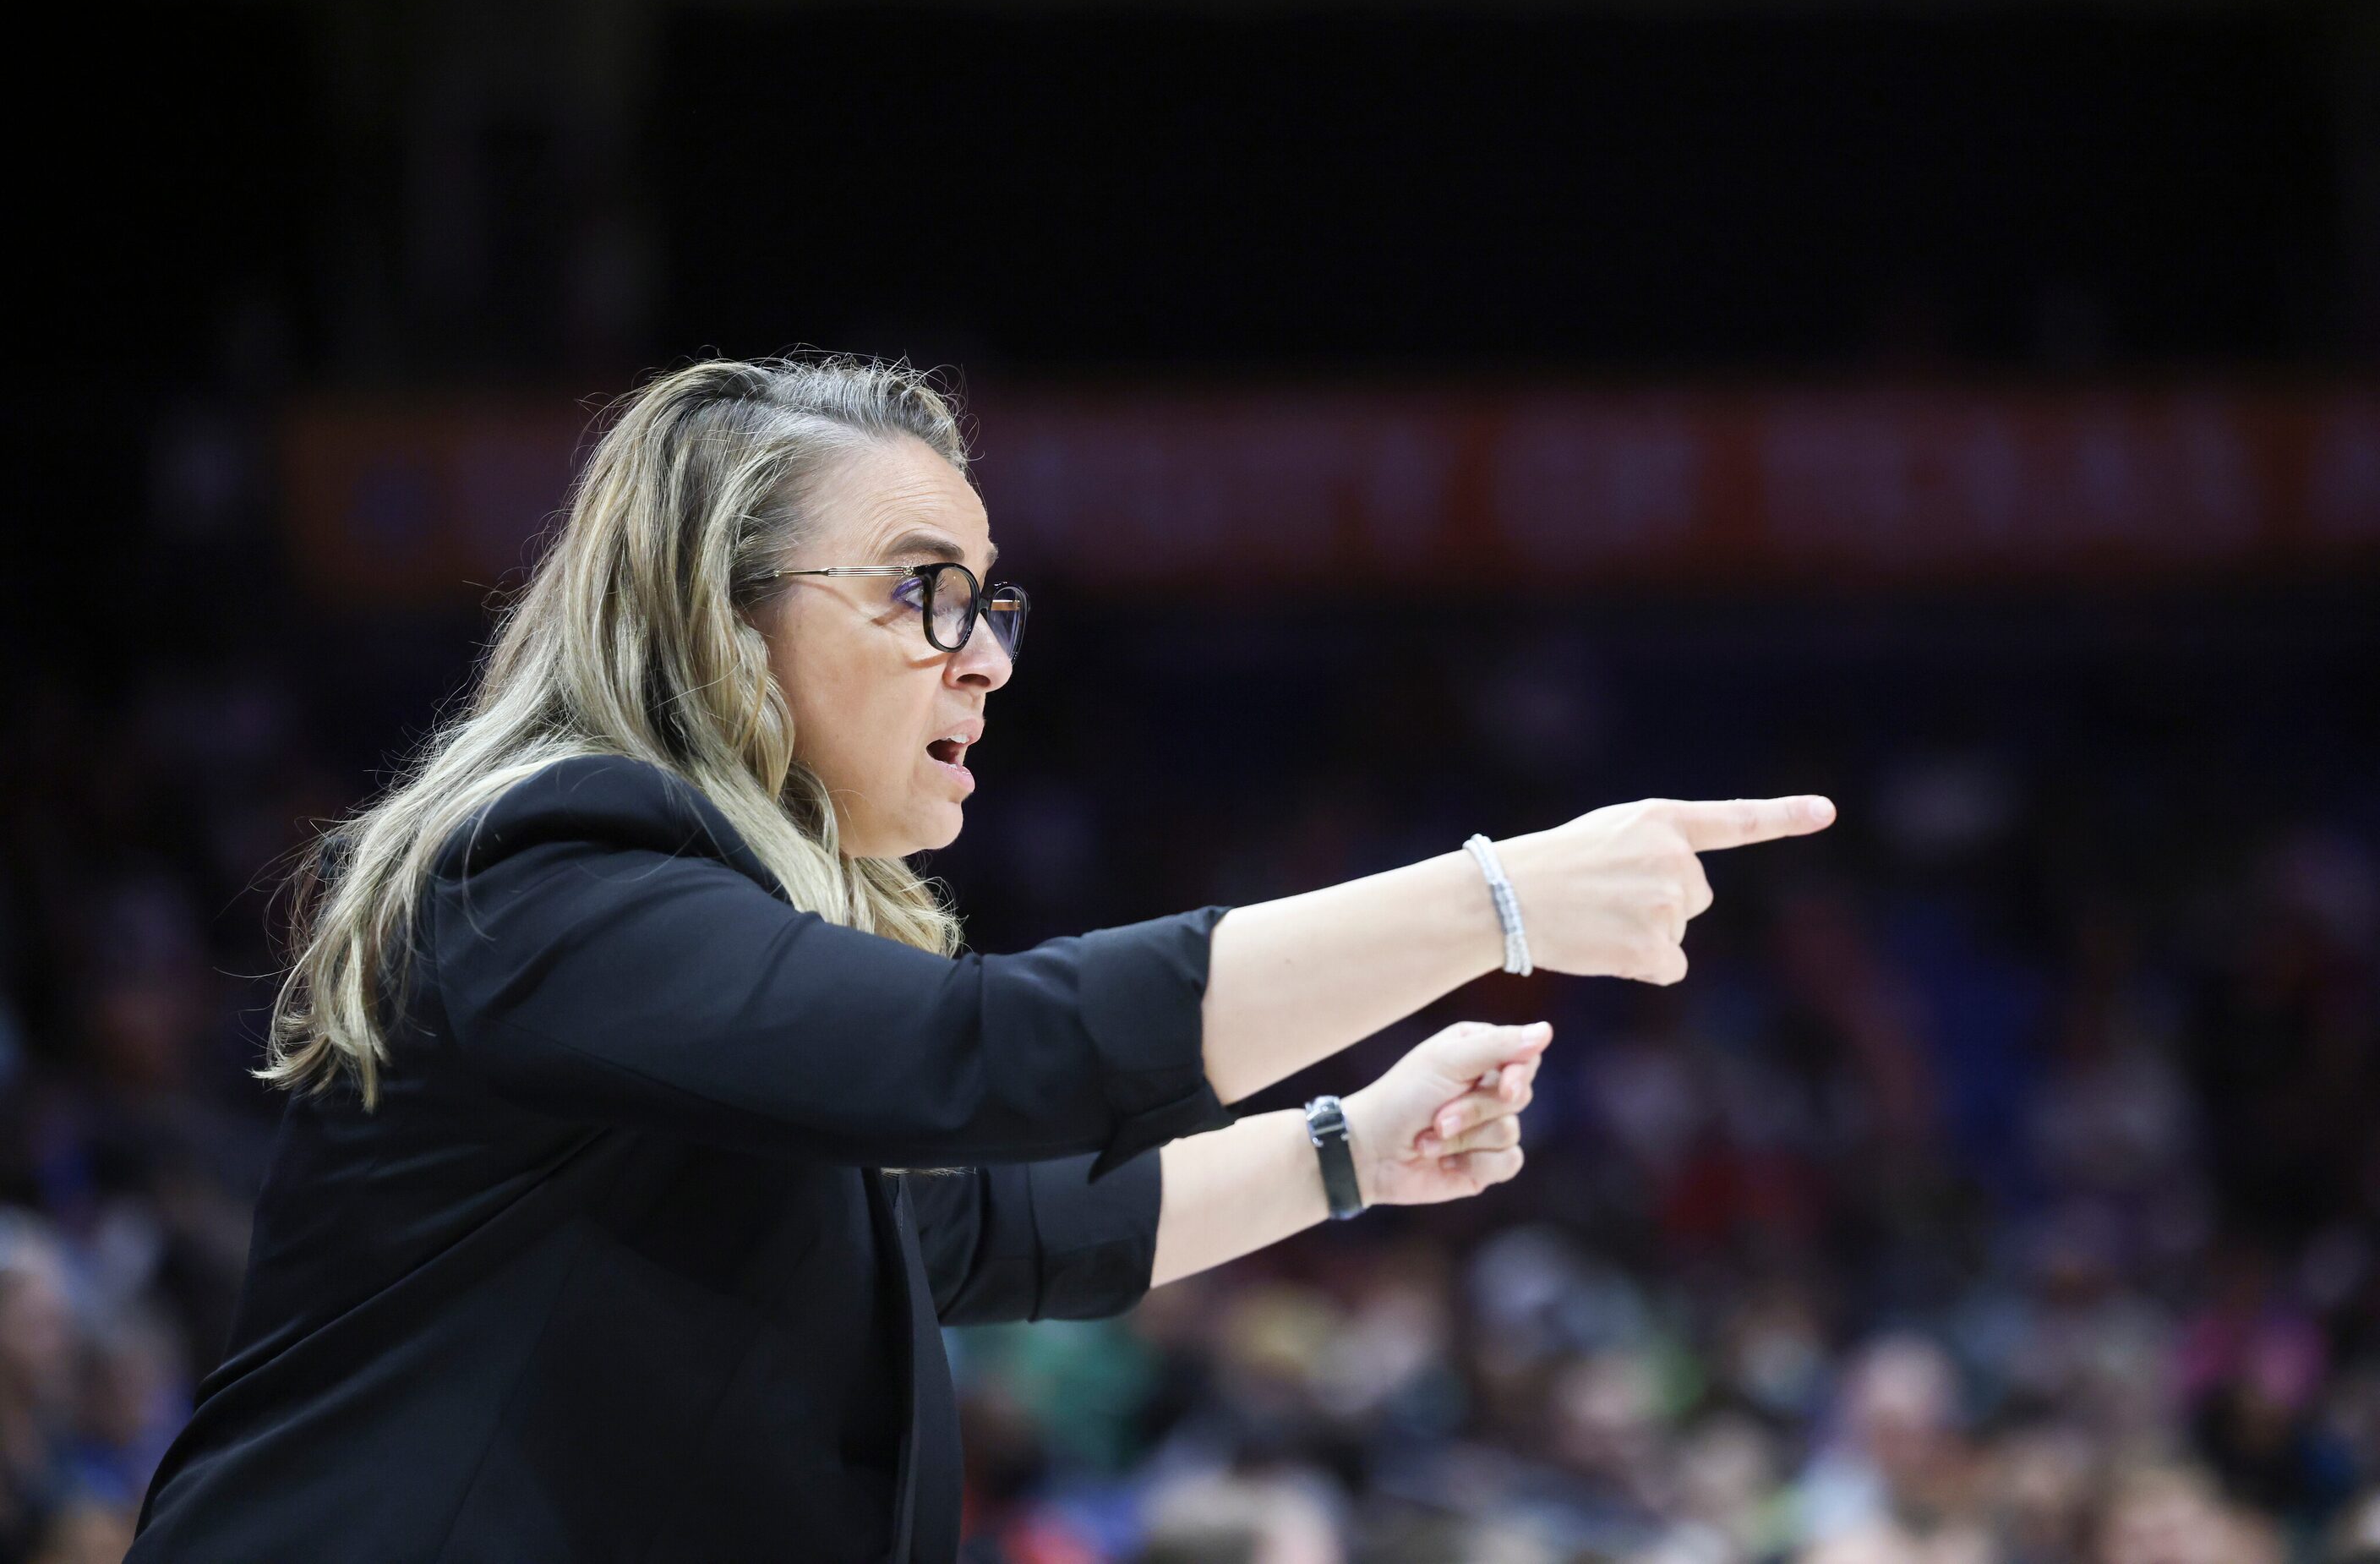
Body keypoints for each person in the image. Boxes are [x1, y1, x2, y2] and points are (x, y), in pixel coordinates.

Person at [128, 357, 1834, 1562]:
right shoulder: (560, 871)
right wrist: (1493, 901)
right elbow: (975, 1061)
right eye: (920, 594)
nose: (982, 660)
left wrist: (1351, 1149)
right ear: (723, 625)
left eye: (990, 602)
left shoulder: (705, 958)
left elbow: (976, 1224)